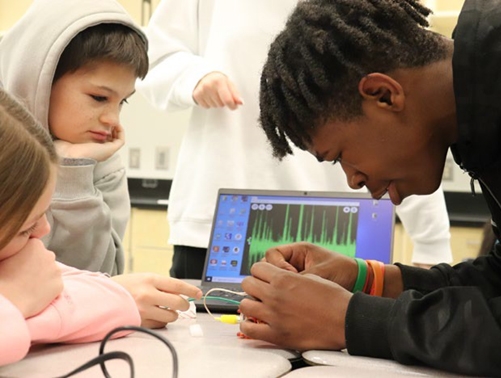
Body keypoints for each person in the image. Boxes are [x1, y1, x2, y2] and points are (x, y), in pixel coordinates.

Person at [238, 0, 501, 377]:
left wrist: (351, 321)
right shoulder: (488, 103)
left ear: (383, 95)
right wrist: (366, 279)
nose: (353, 180)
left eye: (342, 156)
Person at [137, 0, 453, 279]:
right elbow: (152, 59)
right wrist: (194, 76)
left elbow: (409, 121)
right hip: (222, 225)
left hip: (338, 228)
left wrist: (431, 245)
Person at [0, 0, 203, 329]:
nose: (112, 119)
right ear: (39, 77)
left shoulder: (100, 163)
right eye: (98, 98)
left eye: (121, 101)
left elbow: (99, 274)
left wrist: (73, 172)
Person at [0, 89, 141, 366]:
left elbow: (117, 303)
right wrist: (17, 300)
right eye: (25, 228)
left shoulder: (15, 260)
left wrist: (16, 318)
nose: (43, 230)